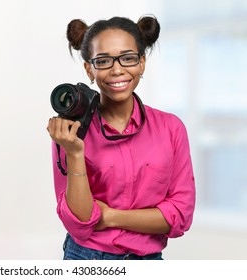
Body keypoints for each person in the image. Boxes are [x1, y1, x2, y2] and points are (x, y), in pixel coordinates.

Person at [46, 15, 196, 260]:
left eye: (128, 58)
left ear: (142, 63)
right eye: (103, 61)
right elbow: (80, 222)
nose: (117, 70)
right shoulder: (72, 131)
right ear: (89, 69)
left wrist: (109, 216)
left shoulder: (171, 128)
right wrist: (74, 152)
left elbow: (180, 215)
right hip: (87, 259)